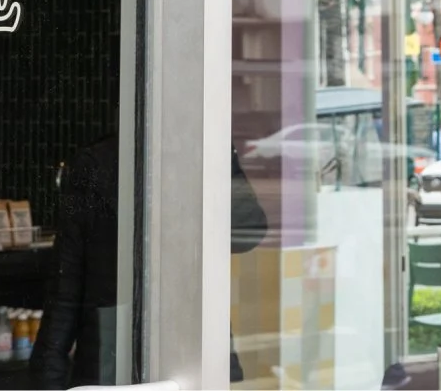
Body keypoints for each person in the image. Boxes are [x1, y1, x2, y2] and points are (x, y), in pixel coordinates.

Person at [31, 139, 266, 388]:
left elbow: (250, 231)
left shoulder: (206, 153)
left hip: (193, 343)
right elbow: (65, 285)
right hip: (114, 351)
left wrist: (217, 161)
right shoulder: (95, 165)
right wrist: (48, 379)